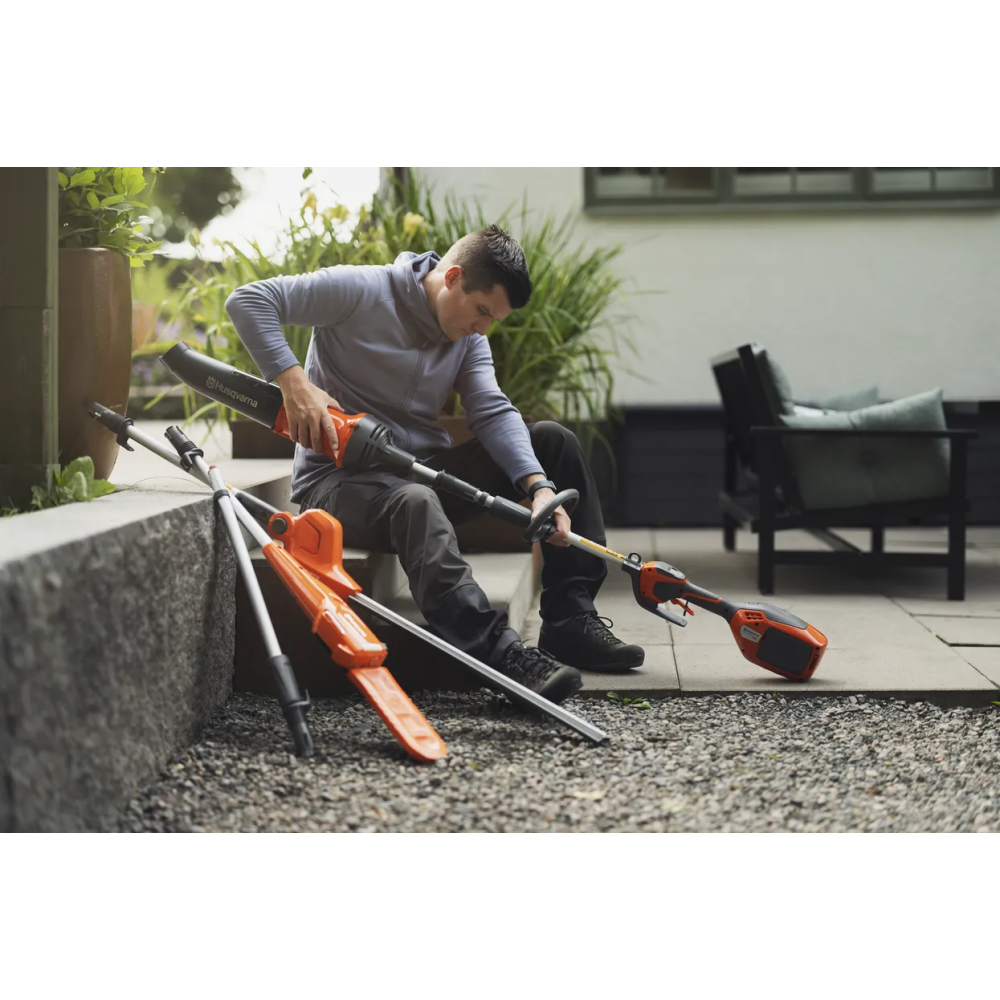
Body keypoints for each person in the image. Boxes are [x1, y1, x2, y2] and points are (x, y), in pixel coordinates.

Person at [226, 224, 644, 705]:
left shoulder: (467, 339)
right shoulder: (361, 290)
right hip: (339, 483)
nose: (483, 328)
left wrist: (538, 487)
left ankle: (570, 619)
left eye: (493, 319)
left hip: (418, 470)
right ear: (452, 277)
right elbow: (249, 300)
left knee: (553, 442)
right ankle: (499, 655)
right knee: (416, 501)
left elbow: (490, 409)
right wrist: (294, 384)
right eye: (482, 310)